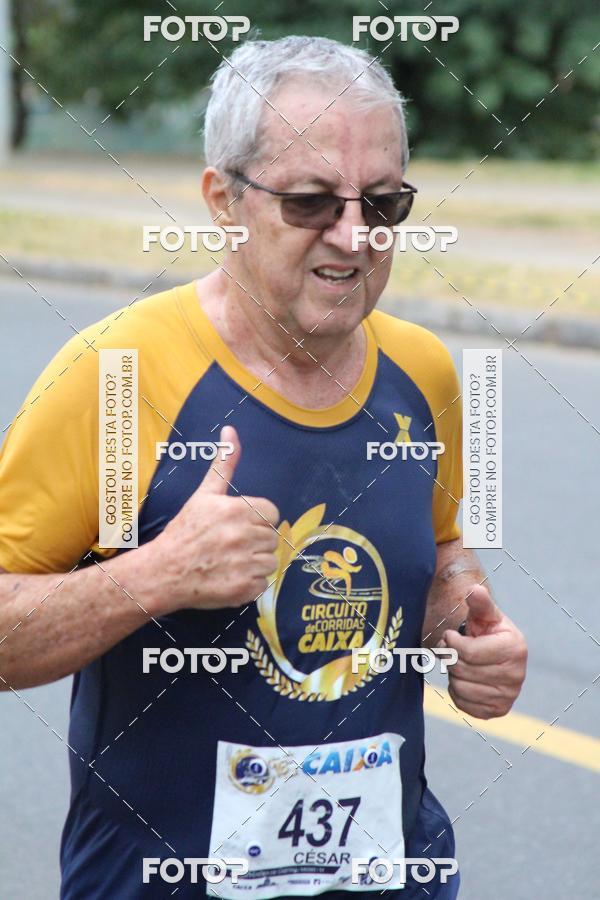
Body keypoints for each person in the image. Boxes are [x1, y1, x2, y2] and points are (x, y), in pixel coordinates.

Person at [0, 36, 527, 899]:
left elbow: (438, 551)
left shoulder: (424, 372)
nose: (355, 237)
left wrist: (468, 635)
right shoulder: (118, 376)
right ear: (223, 200)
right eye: (312, 202)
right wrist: (156, 576)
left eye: (385, 202)